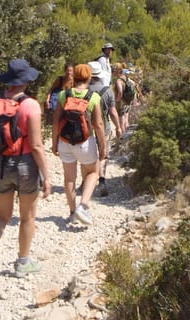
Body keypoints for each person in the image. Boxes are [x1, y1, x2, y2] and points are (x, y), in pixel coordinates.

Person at [0, 59, 52, 288]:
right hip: (25, 164)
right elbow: (37, 146)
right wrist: (47, 177)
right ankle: (22, 262)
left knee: (0, 216)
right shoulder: (30, 105)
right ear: (27, 80)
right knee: (28, 216)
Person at [52, 64, 108, 225]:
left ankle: (71, 213)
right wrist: (103, 147)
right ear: (90, 78)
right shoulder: (93, 97)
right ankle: (82, 206)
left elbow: (55, 121)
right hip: (85, 142)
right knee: (92, 172)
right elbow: (98, 124)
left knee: (69, 178)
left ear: (73, 77)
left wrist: (54, 143)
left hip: (65, 141)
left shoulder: (64, 94)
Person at [88, 61, 121, 197]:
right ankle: (101, 180)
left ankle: (87, 181)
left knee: (89, 155)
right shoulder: (107, 91)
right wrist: (118, 127)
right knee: (103, 154)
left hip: (86, 128)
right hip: (104, 127)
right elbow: (112, 112)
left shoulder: (83, 91)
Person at [113, 63, 137, 133]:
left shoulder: (119, 81)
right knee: (126, 121)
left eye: (113, 70)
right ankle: (127, 135)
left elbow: (120, 91)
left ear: (117, 71)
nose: (112, 72)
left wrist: (117, 100)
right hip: (127, 101)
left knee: (121, 124)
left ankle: (123, 139)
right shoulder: (126, 78)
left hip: (121, 103)